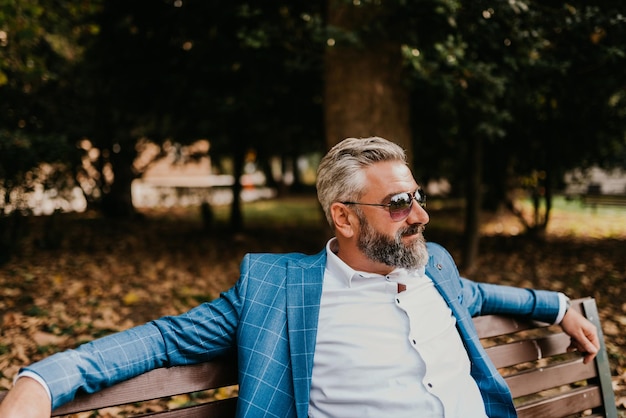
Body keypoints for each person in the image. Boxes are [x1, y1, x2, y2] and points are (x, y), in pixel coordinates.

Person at [0, 136, 599, 418]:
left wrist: (555, 305)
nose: (419, 215)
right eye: (397, 203)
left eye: (416, 197)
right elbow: (162, 339)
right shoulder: (276, 289)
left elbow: (482, 295)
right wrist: (43, 380)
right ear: (343, 216)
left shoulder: (432, 264)